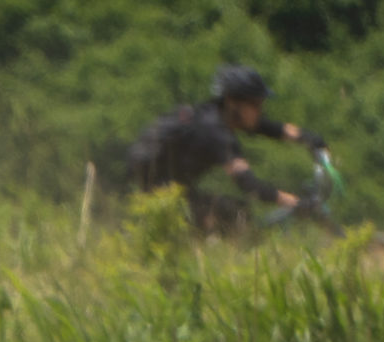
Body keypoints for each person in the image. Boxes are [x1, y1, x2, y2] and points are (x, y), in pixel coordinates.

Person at [125, 64, 329, 232]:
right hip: (153, 191)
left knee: (230, 214)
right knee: (235, 218)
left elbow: (270, 128)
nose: (260, 110)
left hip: (167, 186)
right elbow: (249, 186)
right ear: (233, 102)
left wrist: (313, 140)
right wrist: (295, 203)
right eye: (256, 104)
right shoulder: (216, 132)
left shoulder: (222, 114)